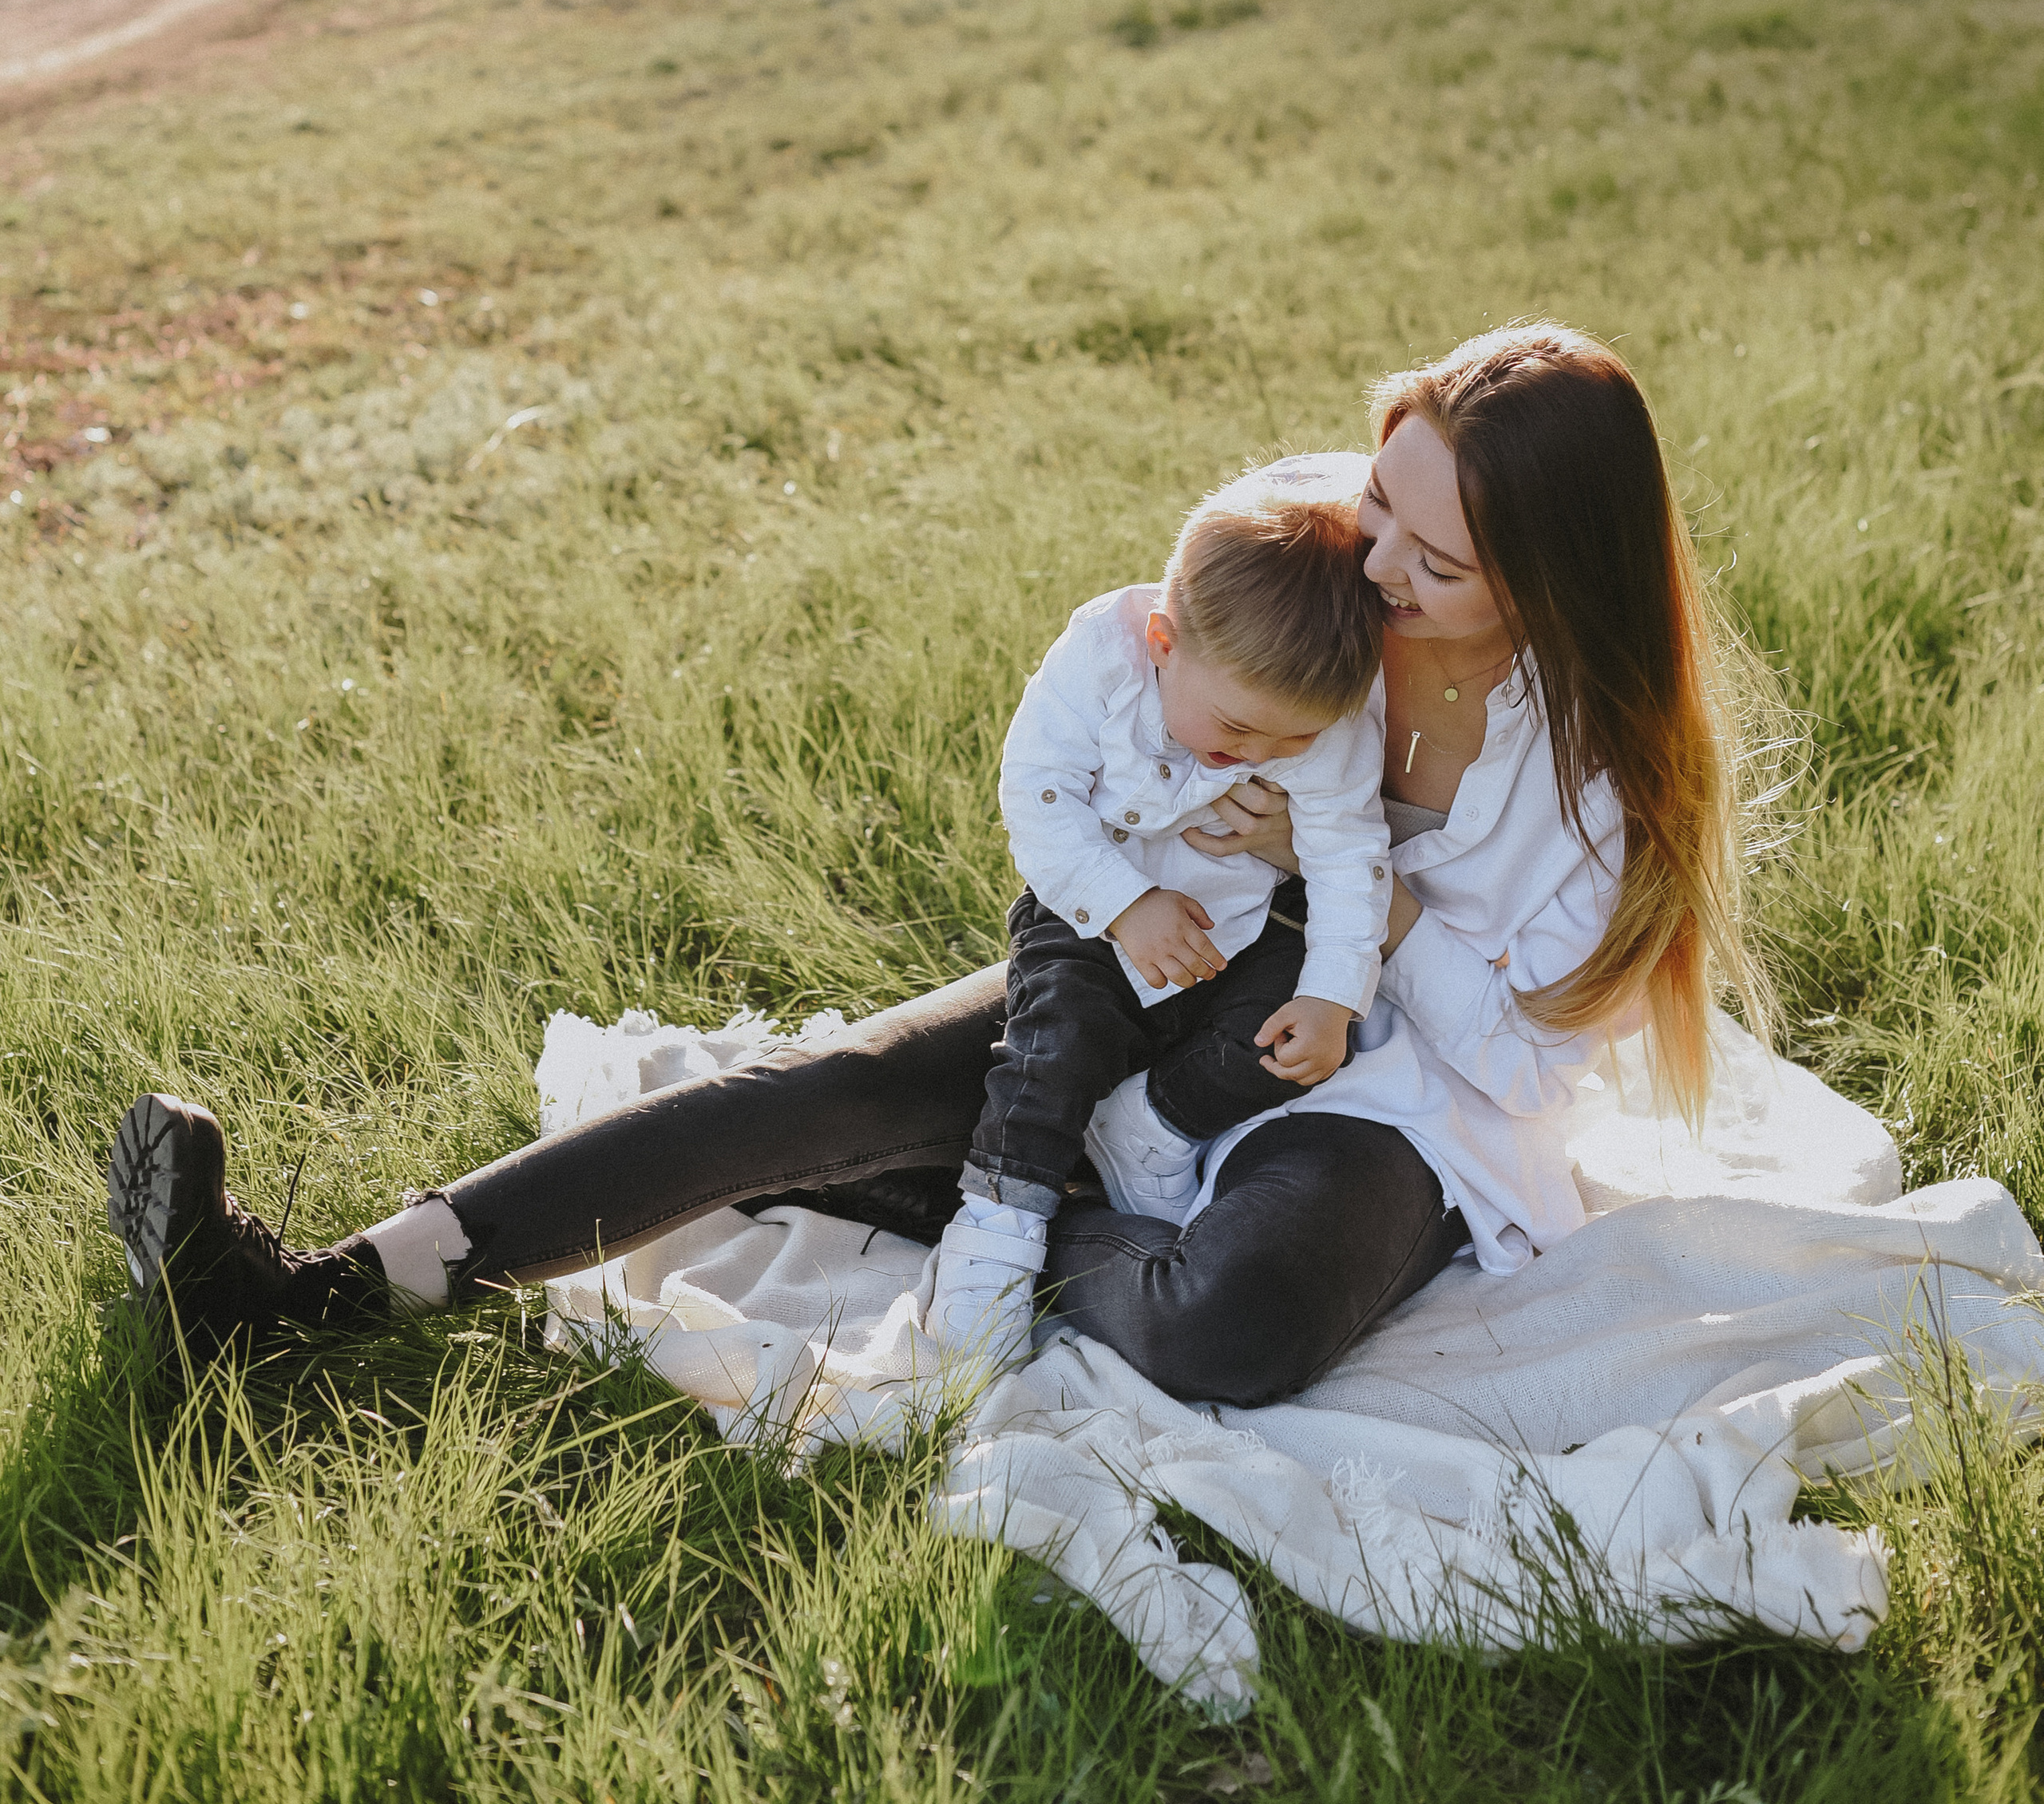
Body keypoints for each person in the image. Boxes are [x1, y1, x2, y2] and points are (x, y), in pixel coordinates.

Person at [107, 321, 1765, 1410]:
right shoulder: (1322, 559)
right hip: (1168, 952)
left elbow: (1525, 1049)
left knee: (1226, 1325)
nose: (1378, 560)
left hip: (1385, 1100)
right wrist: (1145, 871)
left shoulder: (1601, 773)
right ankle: (294, 1293)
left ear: (1547, 576)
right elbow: (1135, 665)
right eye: (1381, 503)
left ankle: (994, 1183)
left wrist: (1378, 918)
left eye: (1436, 557)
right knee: (807, 1095)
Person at [922, 458, 1392, 1368]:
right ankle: (996, 1233)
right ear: (1164, 642)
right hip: (1092, 908)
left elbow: (1347, 858)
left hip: (1236, 930)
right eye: (1239, 728)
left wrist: (1335, 996)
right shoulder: (1100, 658)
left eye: (1294, 739)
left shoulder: (1323, 719)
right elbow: (1037, 798)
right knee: (1053, 1046)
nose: (1259, 754)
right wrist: (1126, 905)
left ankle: (1156, 1122)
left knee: (1290, 1037)